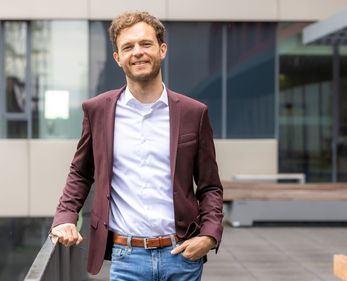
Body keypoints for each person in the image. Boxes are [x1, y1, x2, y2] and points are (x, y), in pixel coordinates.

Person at [50, 11, 223, 281]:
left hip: (182, 256)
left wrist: (209, 236)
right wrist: (64, 218)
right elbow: (81, 173)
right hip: (126, 257)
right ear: (118, 58)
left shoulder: (194, 113)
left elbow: (210, 186)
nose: (138, 52)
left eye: (146, 44)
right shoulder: (98, 111)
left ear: (162, 50)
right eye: (128, 47)